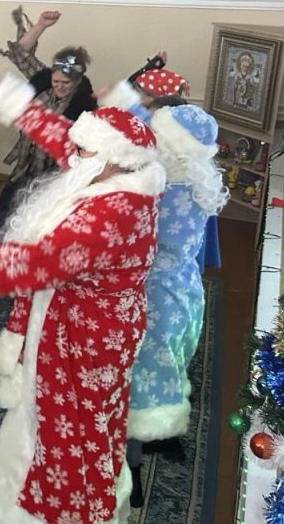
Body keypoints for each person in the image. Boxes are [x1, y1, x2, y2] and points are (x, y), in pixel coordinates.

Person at [0, 70, 165, 524]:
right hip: (80, 324)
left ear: (111, 159)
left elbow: (42, 262)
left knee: (72, 428)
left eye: (84, 151)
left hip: (84, 341)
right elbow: (66, 141)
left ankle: (62, 506)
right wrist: (20, 105)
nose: (72, 155)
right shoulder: (113, 172)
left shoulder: (112, 212)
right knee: (55, 418)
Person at [101, 81, 228, 506]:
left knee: (133, 386)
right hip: (184, 294)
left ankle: (131, 474)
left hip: (147, 300)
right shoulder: (200, 183)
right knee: (170, 368)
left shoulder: (152, 191)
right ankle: (166, 437)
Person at [0, 9, 97, 245]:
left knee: (34, 226)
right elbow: (20, 53)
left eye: (66, 83)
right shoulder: (43, 80)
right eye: (56, 81)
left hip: (52, 176)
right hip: (25, 166)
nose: (59, 86)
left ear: (77, 81)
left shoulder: (85, 106)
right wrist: (41, 25)